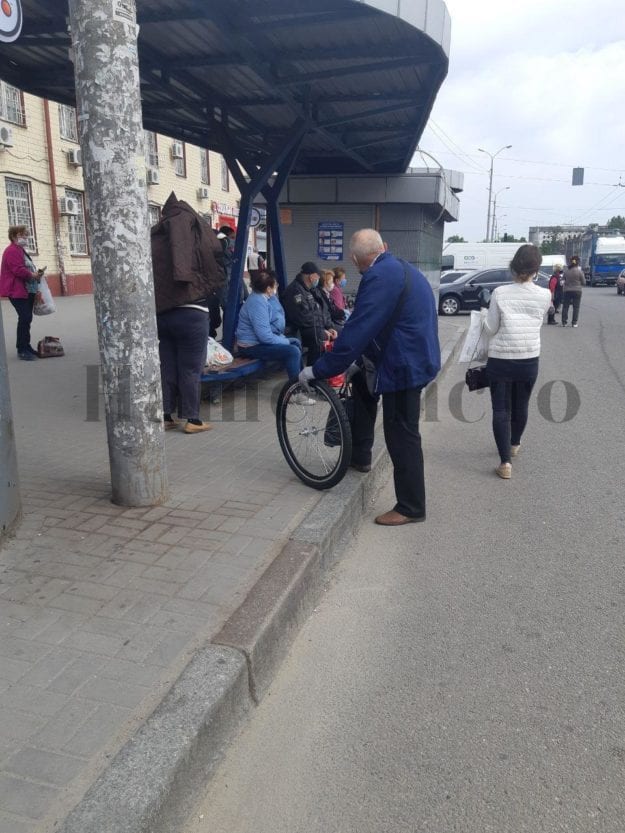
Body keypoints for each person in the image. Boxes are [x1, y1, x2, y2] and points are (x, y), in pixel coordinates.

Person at [299, 229, 440, 526]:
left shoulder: (378, 278)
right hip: (412, 355)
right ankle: (360, 454)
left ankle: (411, 507)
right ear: (384, 247)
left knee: (401, 434)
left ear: (354, 259)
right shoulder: (399, 267)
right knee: (362, 385)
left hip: (404, 366)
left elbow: (357, 331)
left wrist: (319, 369)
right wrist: (361, 361)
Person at [151, 193, 226, 434]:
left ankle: (165, 415)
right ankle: (192, 419)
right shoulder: (193, 226)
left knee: (168, 366)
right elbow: (214, 251)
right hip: (192, 311)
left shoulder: (156, 233)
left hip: (162, 314)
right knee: (190, 368)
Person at [482, 244, 551, 480]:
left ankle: (505, 463)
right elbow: (538, 323)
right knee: (521, 406)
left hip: (500, 359)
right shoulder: (545, 294)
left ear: (514, 265)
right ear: (536, 269)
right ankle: (514, 444)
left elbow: (491, 328)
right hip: (529, 358)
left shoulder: (500, 293)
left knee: (501, 409)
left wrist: (483, 320)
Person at [236, 271, 302, 380]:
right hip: (250, 347)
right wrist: (285, 341)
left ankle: (301, 379)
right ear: (268, 288)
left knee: (295, 342)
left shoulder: (261, 299)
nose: (276, 287)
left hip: (257, 343)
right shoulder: (257, 302)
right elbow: (265, 337)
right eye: (275, 285)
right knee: (292, 351)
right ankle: (296, 388)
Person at [0, 225, 44, 360]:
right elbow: (18, 270)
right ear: (14, 236)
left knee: (27, 319)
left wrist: (36, 273)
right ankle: (22, 349)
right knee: (25, 318)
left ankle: (26, 346)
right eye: (22, 234)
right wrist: (33, 275)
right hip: (16, 290)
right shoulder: (12, 250)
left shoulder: (20, 250)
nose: (25, 237)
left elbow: (25, 267)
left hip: (26, 289)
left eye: (26, 234)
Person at [281, 261, 337, 365]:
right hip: (298, 329)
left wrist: (329, 327)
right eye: (317, 276)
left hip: (312, 326)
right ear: (311, 276)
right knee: (319, 336)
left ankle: (326, 371)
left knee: (336, 333)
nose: (318, 279)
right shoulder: (295, 290)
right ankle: (313, 374)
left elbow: (322, 310)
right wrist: (322, 329)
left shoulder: (312, 289)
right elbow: (302, 317)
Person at [561, 255, 585, 327]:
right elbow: (584, 282)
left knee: (565, 307)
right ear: (578, 262)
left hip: (567, 290)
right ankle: (574, 323)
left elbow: (563, 280)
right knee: (576, 307)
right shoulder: (580, 272)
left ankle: (564, 322)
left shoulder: (566, 271)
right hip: (577, 291)